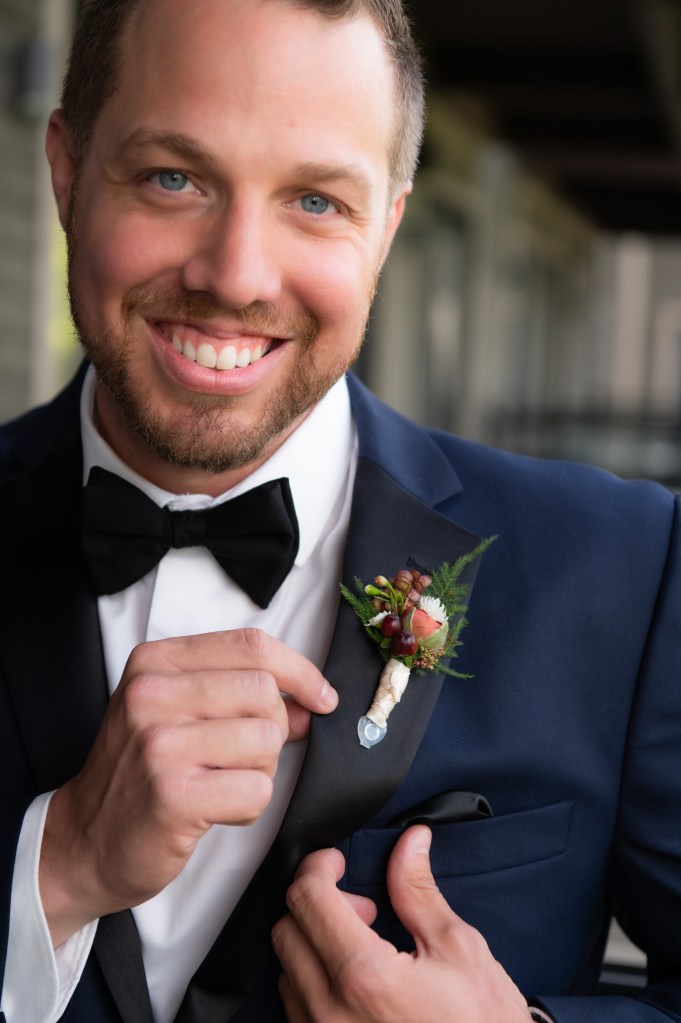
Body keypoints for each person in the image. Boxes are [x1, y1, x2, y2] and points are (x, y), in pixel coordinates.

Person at [0, 0, 679, 1021]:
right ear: (65, 168)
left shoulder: (627, 571)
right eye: (172, 178)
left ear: (390, 225)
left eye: (316, 200)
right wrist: (55, 873)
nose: (235, 274)